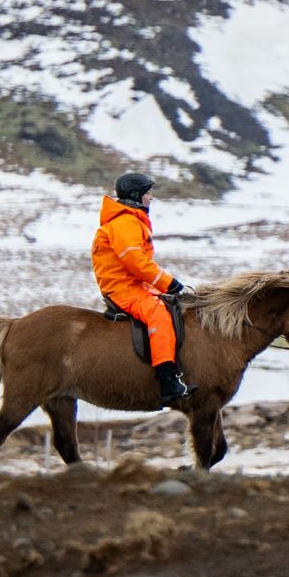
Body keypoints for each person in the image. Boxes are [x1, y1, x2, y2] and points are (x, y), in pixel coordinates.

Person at [92, 171, 188, 405]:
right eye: (148, 193)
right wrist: (169, 283)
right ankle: (166, 378)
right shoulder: (125, 222)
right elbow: (136, 262)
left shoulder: (131, 220)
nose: (151, 198)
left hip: (134, 286)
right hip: (124, 289)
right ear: (136, 196)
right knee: (158, 314)